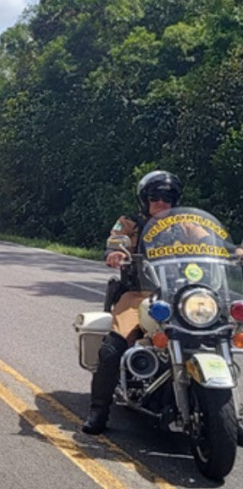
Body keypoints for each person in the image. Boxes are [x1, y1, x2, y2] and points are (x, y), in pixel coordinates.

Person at [82, 170, 184, 435]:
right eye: (156, 197)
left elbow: (210, 243)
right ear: (145, 200)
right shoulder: (131, 223)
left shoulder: (185, 226)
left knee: (219, 339)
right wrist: (115, 252)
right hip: (138, 296)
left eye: (168, 197)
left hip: (181, 297)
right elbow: (116, 240)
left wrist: (234, 252)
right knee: (112, 349)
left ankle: (226, 412)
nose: (162, 202)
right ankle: (99, 411)